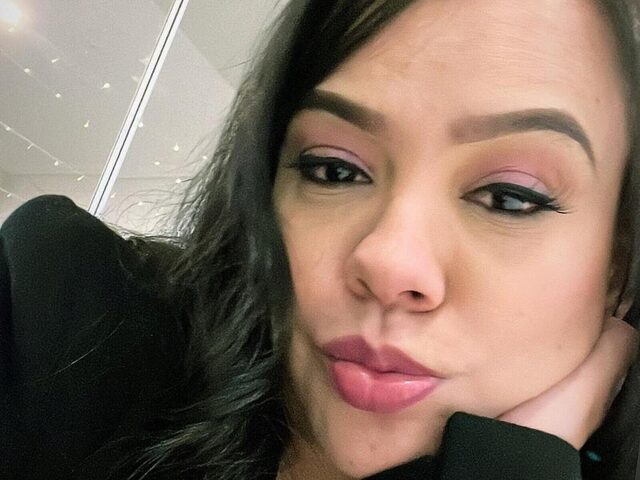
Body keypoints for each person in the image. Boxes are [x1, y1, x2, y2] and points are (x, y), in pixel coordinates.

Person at [2, 0, 640, 479]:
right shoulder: (63, 327)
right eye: (334, 170)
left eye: (510, 197)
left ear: (618, 268)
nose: (389, 261)